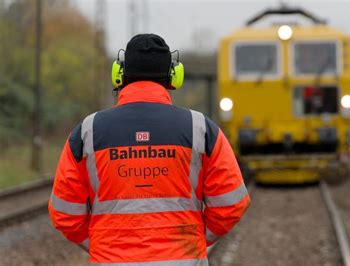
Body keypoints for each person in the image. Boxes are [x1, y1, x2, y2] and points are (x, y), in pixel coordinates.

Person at [49, 33, 250, 265]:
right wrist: (192, 240)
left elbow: (65, 213)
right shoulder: (201, 129)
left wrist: (103, 243)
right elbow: (231, 204)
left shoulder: (88, 131)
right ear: (174, 76)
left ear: (119, 74)